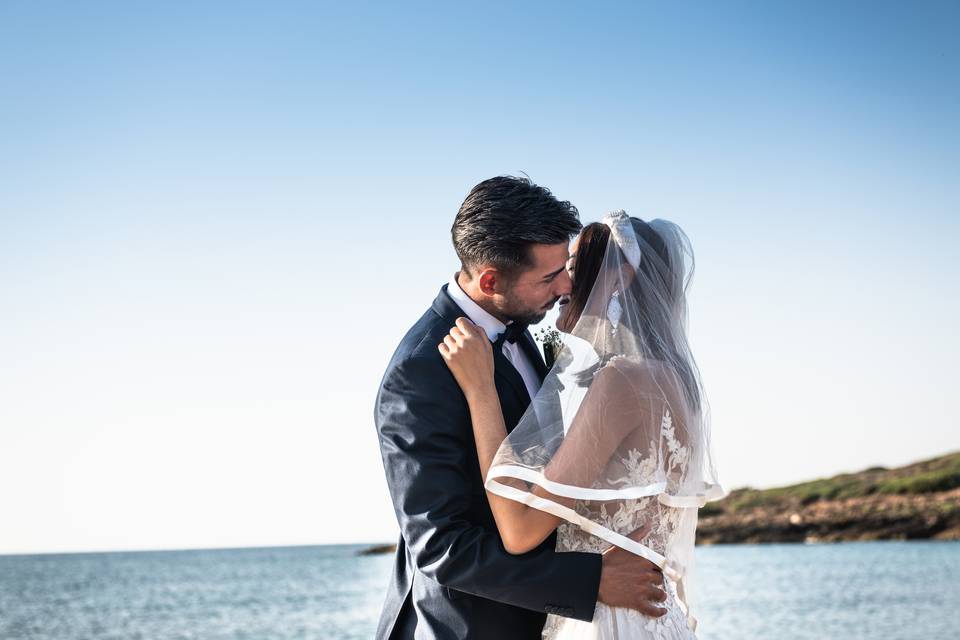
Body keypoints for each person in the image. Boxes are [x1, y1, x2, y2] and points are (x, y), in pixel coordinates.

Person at [374, 179, 670, 640]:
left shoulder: (524, 332)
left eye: (564, 267)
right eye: (551, 277)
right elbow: (441, 546)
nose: (569, 285)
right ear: (490, 280)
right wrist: (590, 581)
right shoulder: (420, 371)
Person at [439, 211, 723, 639]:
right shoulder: (676, 384)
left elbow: (518, 530)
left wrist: (481, 391)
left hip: (609, 622)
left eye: (573, 271)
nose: (564, 288)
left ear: (619, 278)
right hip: (658, 619)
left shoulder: (622, 381)